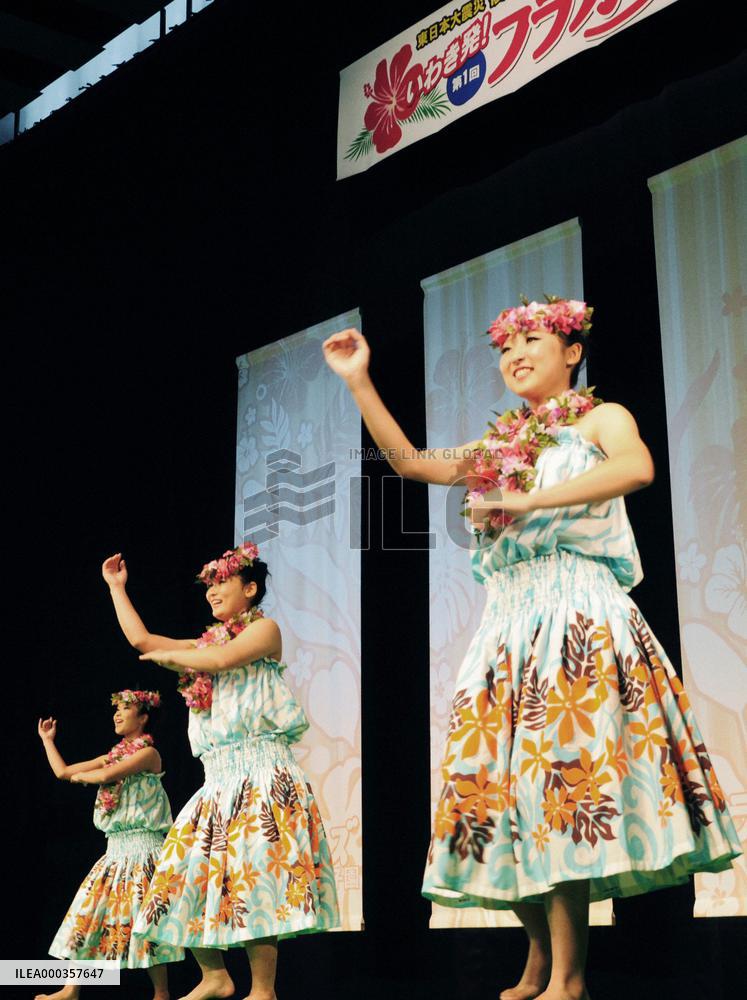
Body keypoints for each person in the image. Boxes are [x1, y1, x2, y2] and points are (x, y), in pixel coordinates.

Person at [322, 298, 741, 1000]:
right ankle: (539, 959)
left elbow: (635, 469)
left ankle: (569, 977)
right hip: (506, 623)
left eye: (533, 340)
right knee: (494, 793)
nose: (514, 354)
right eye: (504, 346)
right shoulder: (498, 446)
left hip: (575, 611)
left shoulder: (597, 418)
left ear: (571, 351)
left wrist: (528, 503)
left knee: (559, 787)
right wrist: (358, 380)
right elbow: (411, 463)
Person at [101, 543, 339, 1000]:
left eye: (222, 583)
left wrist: (173, 657)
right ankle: (215, 975)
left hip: (262, 771)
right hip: (217, 779)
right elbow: (142, 641)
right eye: (209, 586)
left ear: (250, 589)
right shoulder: (207, 643)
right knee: (175, 874)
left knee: (258, 878)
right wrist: (116, 588)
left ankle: (262, 990)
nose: (212, 593)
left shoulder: (264, 631)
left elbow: (220, 662)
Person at [36, 689, 182, 1000]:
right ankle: (70, 989)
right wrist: (48, 740)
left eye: (125, 709)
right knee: (87, 913)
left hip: (145, 850)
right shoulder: (112, 753)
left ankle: (161, 993)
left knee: (146, 922)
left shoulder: (148, 754)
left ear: (143, 717)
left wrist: (85, 778)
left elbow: (106, 774)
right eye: (115, 709)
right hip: (115, 850)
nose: (116, 714)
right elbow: (63, 772)